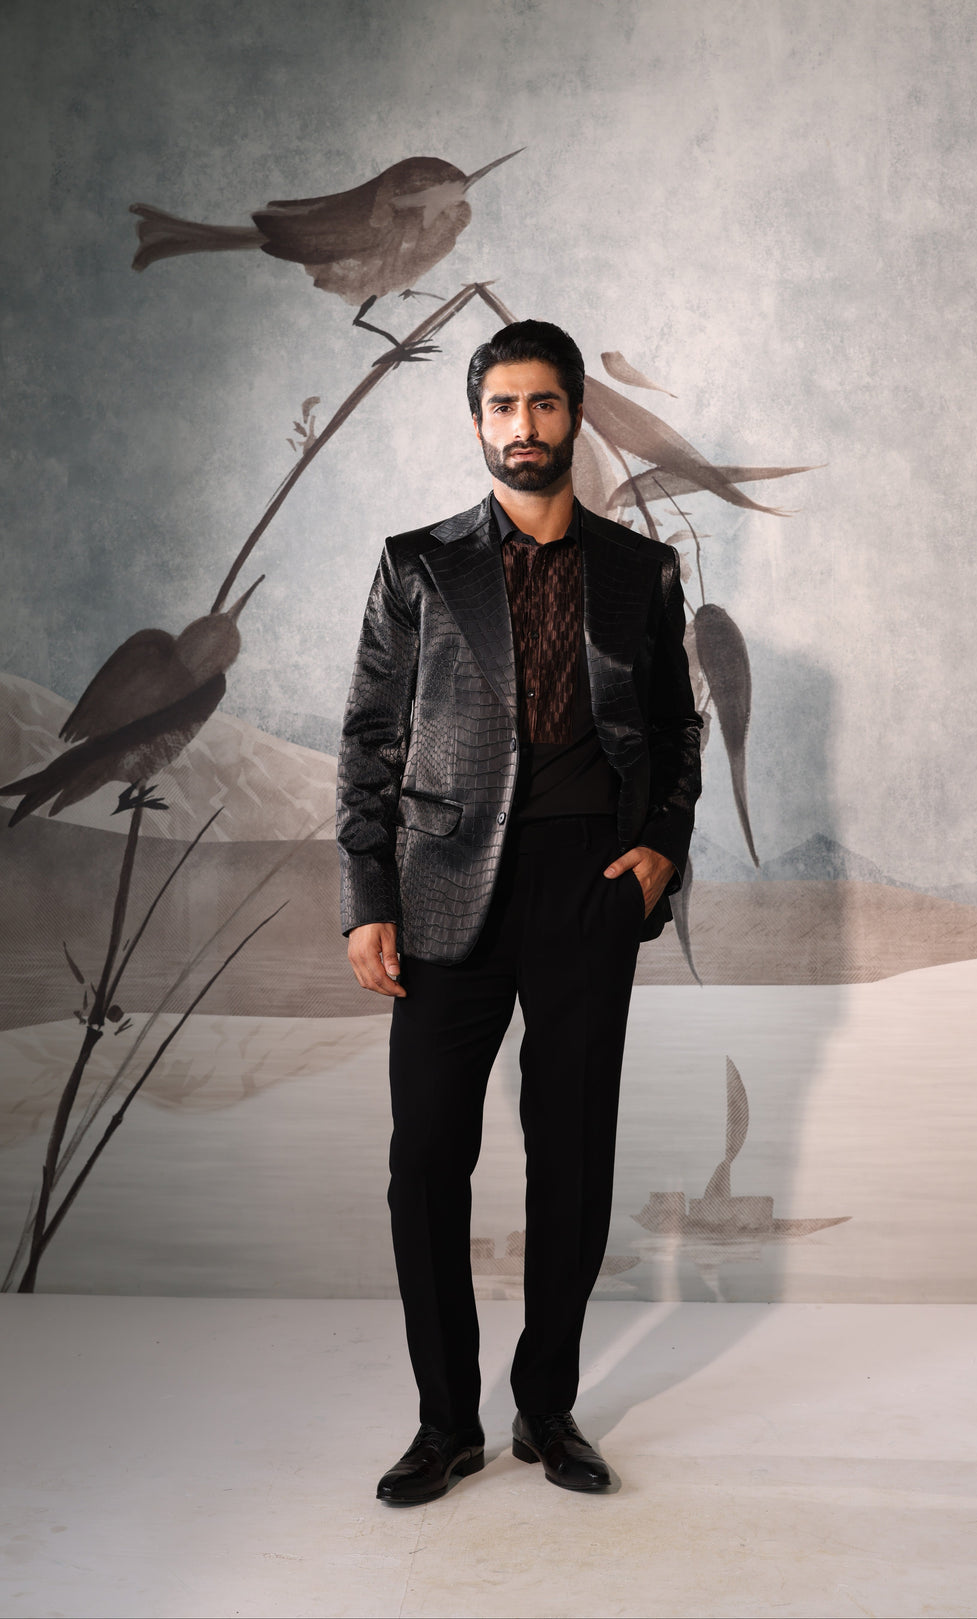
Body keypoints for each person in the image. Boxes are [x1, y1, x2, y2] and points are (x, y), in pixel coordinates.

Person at [337, 319, 702, 1505]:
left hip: (589, 885)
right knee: (426, 1159)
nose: (524, 425)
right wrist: (366, 897)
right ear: (477, 420)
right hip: (445, 885)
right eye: (503, 405)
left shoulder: (639, 569)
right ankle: (446, 1422)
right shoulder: (417, 565)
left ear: (574, 416)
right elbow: (370, 739)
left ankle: (547, 1406)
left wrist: (660, 849)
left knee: (573, 1154)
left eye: (544, 403)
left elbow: (677, 729)